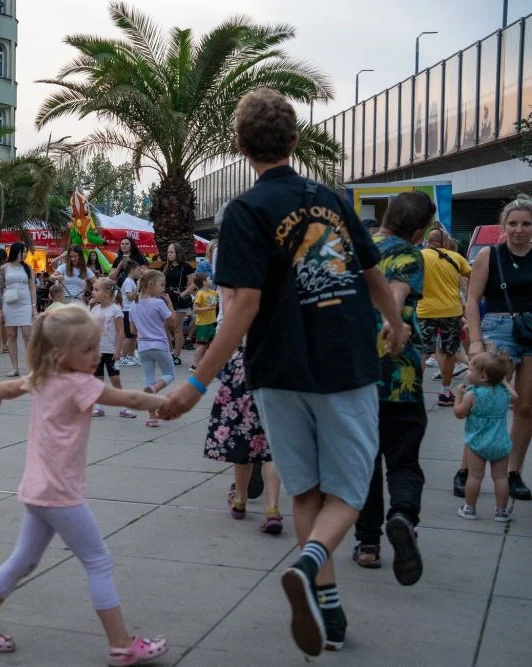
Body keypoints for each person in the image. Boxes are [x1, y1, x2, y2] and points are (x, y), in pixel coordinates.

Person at [159, 89, 409, 657]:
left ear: (241, 147)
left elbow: (242, 303)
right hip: (345, 360)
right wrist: (394, 323)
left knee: (304, 488)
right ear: (295, 141)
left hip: (275, 369)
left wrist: (198, 382)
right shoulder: (331, 198)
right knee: (348, 490)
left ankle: (326, 605)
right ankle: (314, 560)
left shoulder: (244, 212)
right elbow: (372, 271)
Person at [0, 305, 168, 665]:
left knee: (23, 559)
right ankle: (121, 644)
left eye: (95, 346)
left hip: (38, 491)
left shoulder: (42, 376)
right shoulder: (79, 383)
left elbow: (9, 388)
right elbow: (129, 399)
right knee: (98, 561)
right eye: (87, 350)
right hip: (60, 494)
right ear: (60, 353)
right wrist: (167, 402)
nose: (94, 356)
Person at [351, 192, 430, 586]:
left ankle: (368, 546)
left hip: (357, 376)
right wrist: (392, 320)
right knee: (403, 458)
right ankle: (402, 516)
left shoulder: (354, 247)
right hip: (401, 377)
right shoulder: (409, 253)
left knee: (365, 462)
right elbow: (396, 290)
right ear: (419, 231)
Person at [465, 196, 532, 501]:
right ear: (504, 226)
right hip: (497, 331)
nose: (519, 229)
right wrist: (476, 340)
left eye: (526, 223)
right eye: (513, 223)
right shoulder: (489, 255)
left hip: (530, 332)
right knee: (486, 406)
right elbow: (471, 300)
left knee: (526, 407)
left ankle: (513, 472)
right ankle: (466, 470)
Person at [204, 283, 283, 534]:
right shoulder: (282, 285)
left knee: (242, 438)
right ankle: (273, 509)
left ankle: (240, 499)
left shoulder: (238, 285)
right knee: (273, 444)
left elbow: (230, 326)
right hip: (276, 365)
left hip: (244, 363)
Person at [453, 351, 515, 521]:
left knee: (475, 476)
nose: (468, 373)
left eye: (471, 370)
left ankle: (469, 509)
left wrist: (458, 396)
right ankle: (501, 512)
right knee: (501, 477)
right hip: (500, 442)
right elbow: (515, 396)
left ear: (483, 377)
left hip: (478, 443)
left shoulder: (473, 395)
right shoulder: (503, 392)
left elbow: (459, 413)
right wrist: (503, 380)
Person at [418, 227, 472, 407]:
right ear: (445, 242)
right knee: (449, 352)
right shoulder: (457, 258)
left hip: (424, 311)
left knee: (420, 351)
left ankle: (415, 393)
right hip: (451, 311)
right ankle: (445, 392)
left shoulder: (419, 256)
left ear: (428, 240)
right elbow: (471, 278)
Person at [129, 270, 176, 428]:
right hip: (159, 345)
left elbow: (133, 330)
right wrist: (169, 303)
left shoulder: (134, 305)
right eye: (161, 285)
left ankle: (152, 417)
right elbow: (172, 322)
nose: (163, 289)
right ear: (150, 285)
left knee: (149, 378)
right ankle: (154, 389)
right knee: (170, 374)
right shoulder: (159, 303)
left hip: (142, 346)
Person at [89, 278, 135, 419]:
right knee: (98, 380)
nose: (93, 292)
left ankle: (123, 408)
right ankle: (99, 407)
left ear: (108, 293)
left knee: (115, 380)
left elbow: (121, 331)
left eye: (97, 290)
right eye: (94, 289)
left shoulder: (115, 309)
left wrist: (118, 349)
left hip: (111, 351)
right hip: (97, 351)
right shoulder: (95, 309)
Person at [0, 242, 36, 377]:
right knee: (11, 335)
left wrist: (34, 307)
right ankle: (14, 368)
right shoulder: (4, 267)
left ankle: (31, 368)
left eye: (26, 252)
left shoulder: (28, 268)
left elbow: (32, 288)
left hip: (25, 303)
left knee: (28, 335)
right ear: (16, 252)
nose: (25, 254)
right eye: (23, 251)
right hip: (9, 304)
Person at [163, 243, 193, 365]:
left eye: (172, 252)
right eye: (168, 252)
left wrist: (183, 293)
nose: (169, 254)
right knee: (165, 326)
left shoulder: (186, 267)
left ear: (178, 253)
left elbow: (193, 283)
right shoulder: (167, 267)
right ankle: (170, 352)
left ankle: (177, 355)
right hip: (167, 298)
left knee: (177, 327)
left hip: (179, 299)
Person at [116, 261, 141, 367]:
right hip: (126, 311)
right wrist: (138, 287)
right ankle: (122, 357)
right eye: (137, 270)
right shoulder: (128, 281)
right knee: (128, 335)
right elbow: (130, 296)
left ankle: (130, 356)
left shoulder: (131, 281)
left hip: (131, 310)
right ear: (132, 270)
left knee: (133, 335)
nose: (139, 272)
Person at [191, 274, 218, 371]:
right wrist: (209, 308)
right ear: (204, 282)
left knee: (210, 344)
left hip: (212, 323)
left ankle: (204, 363)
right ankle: (194, 365)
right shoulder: (200, 293)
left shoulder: (213, 293)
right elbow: (195, 309)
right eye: (209, 279)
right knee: (202, 345)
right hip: (203, 324)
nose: (211, 280)